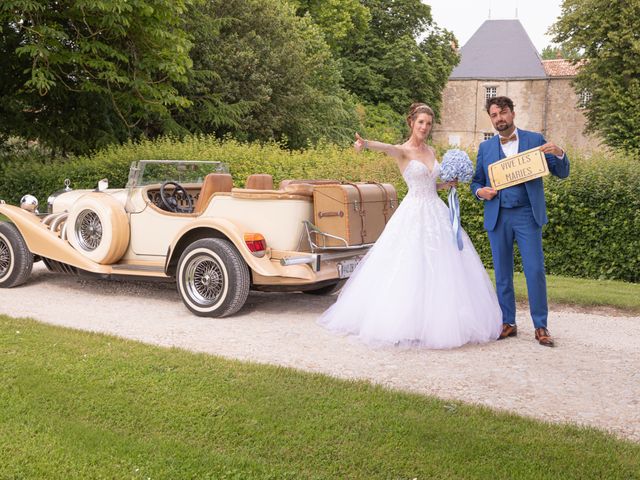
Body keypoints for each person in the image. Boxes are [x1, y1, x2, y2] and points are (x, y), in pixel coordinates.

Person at [318, 103, 502, 349]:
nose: (424, 127)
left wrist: (447, 185)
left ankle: (438, 321)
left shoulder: (432, 151)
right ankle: (406, 323)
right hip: (413, 212)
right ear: (411, 123)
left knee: (443, 266)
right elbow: (386, 148)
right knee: (410, 264)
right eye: (420, 123)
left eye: (428, 123)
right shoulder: (402, 151)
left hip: (437, 210)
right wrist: (366, 144)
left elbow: (430, 183)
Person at [471, 96, 570, 347]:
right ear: (491, 119)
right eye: (494, 115)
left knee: (535, 270)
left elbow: (562, 172)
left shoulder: (534, 140)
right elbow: (476, 181)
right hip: (498, 214)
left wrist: (559, 153)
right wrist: (480, 192)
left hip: (527, 214)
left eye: (503, 113)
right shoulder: (485, 149)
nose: (499, 119)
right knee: (502, 273)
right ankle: (508, 322)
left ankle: (541, 326)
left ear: (512, 113)